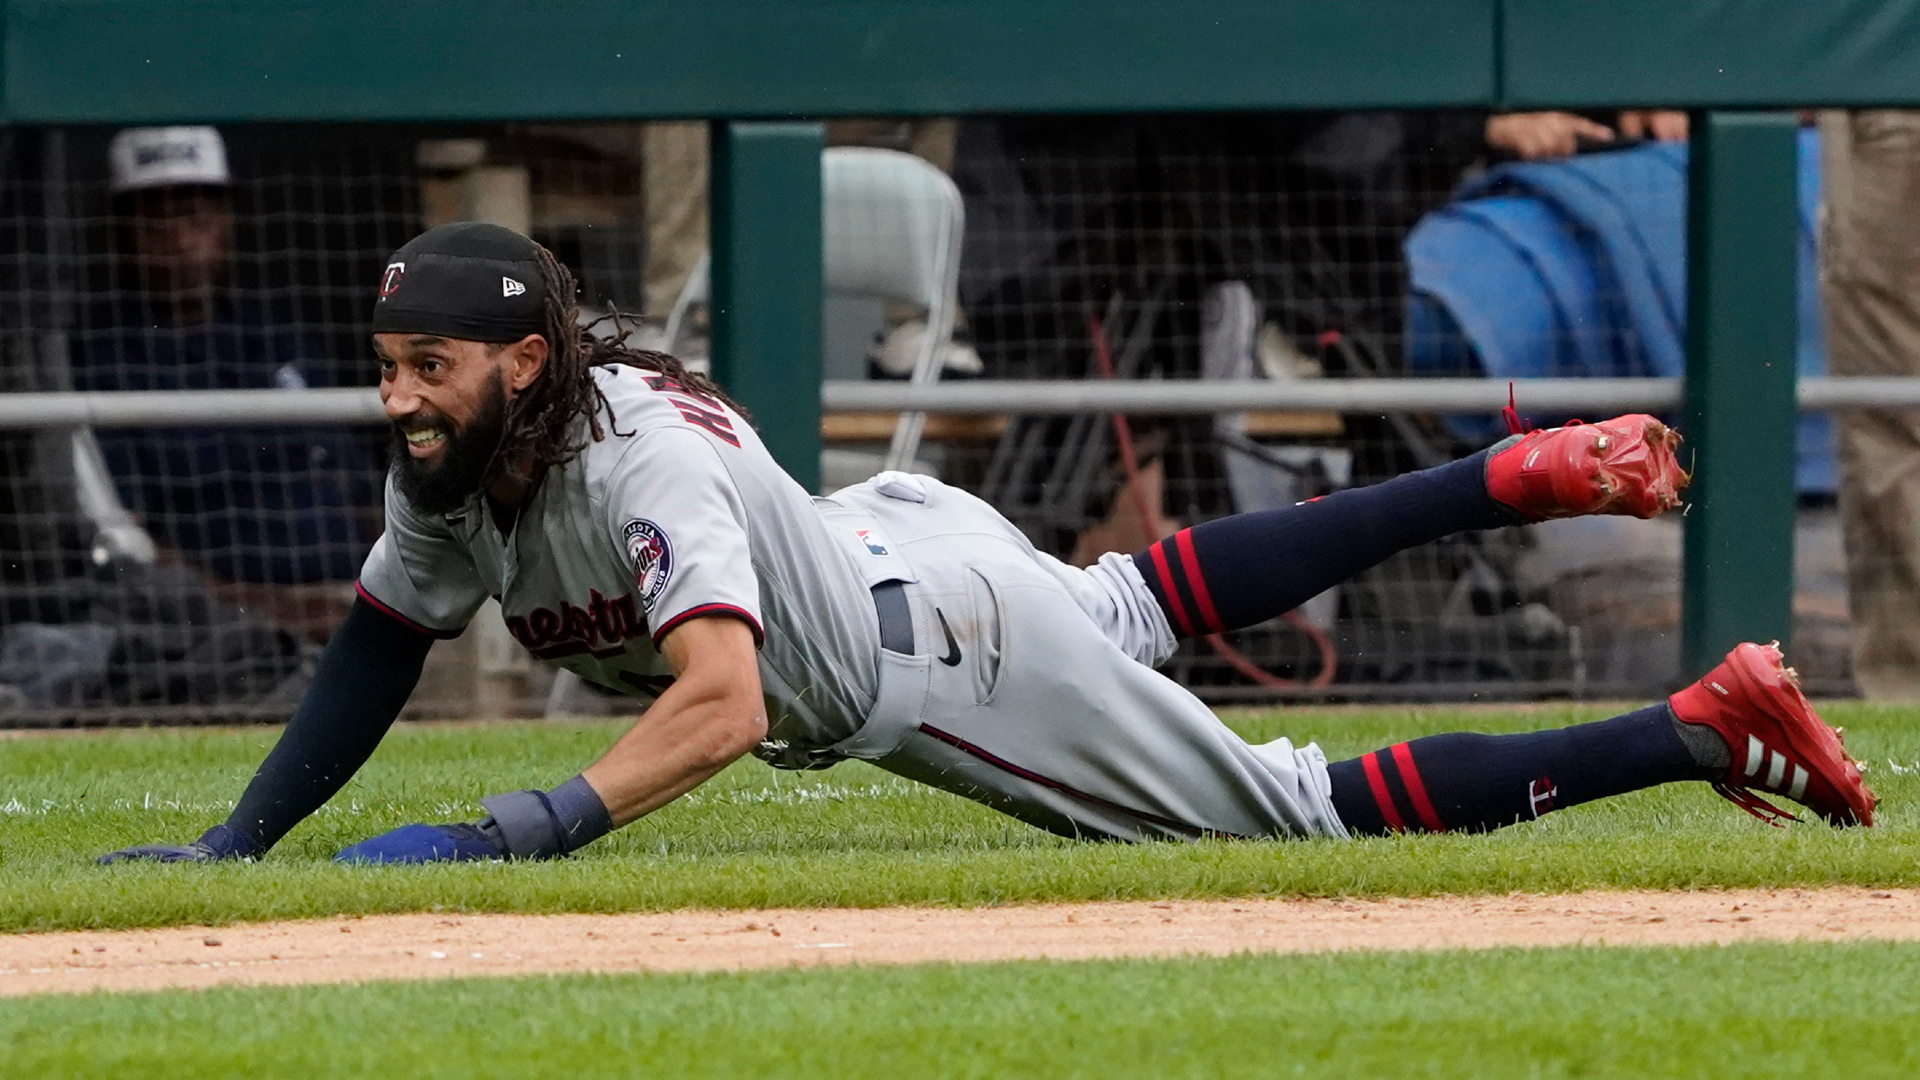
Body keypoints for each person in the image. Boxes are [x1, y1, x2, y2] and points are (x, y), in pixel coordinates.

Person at [100, 223, 1873, 867]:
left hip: (923, 659)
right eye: (390, 363)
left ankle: (1697, 723)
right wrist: (241, 844)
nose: (400, 396)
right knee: (1123, 601)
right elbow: (378, 644)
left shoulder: (634, 471)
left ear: (528, 360)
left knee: (1292, 814)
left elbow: (714, 709)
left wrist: (509, 832)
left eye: (430, 366)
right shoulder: (467, 449)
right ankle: (1503, 477)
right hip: (896, 538)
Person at [74, 127, 378, 625]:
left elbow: (362, 490)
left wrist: (392, 594)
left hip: (361, 603)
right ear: (121, 234)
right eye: (156, 222)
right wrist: (270, 612)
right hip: (221, 626)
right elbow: (133, 538)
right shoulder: (101, 361)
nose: (179, 241)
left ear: (225, 225)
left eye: (197, 218)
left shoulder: (277, 335)